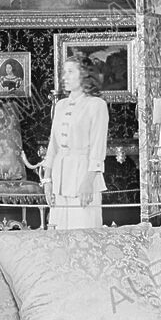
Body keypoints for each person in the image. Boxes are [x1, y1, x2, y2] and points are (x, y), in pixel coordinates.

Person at [41, 54, 109, 230]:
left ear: (84, 74)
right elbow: (53, 146)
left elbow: (98, 149)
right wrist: (47, 181)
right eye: (64, 72)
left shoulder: (96, 105)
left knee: (83, 234)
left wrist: (88, 182)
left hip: (83, 178)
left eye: (70, 72)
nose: (65, 77)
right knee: (58, 236)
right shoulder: (60, 105)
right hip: (59, 179)